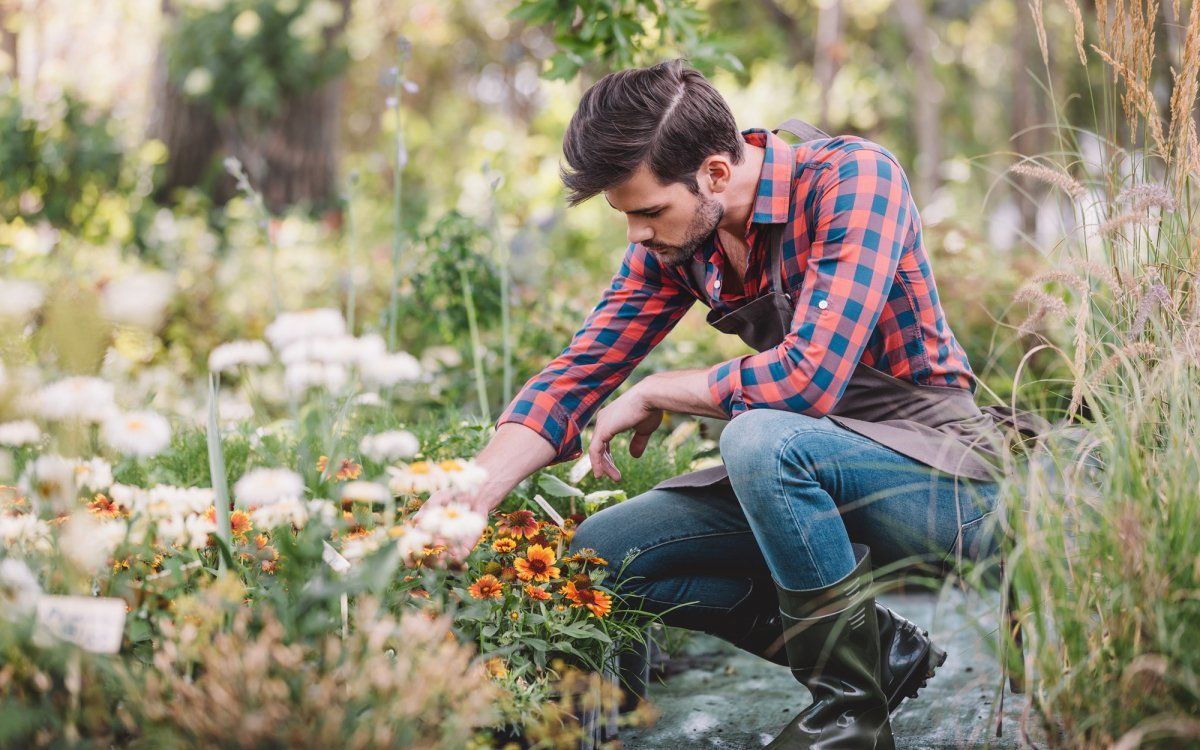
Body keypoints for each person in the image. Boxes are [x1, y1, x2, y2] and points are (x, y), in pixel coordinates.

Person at [419, 59, 1012, 749]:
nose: (637, 234)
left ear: (716, 174)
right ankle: (879, 656)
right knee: (604, 554)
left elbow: (806, 381)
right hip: (804, 472)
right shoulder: (682, 241)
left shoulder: (855, 180)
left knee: (760, 437)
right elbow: (578, 374)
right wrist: (473, 493)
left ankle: (850, 721)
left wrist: (656, 388)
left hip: (939, 476)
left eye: (648, 211)